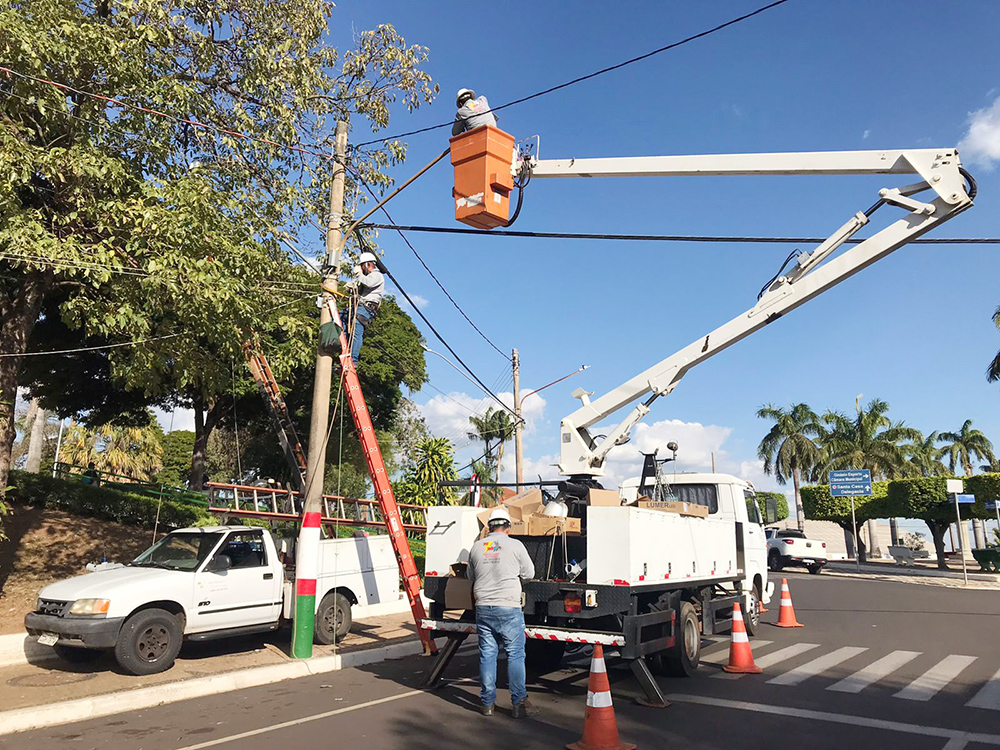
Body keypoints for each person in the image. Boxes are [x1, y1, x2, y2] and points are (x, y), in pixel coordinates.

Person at [466, 507, 538, 718]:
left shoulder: (477, 547)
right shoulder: (515, 545)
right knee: (515, 654)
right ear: (508, 527)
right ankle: (518, 703)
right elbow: (529, 573)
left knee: (487, 655)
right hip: (508, 607)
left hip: (483, 607)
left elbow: (470, 576)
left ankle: (487, 704)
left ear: (489, 527)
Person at [341, 251, 384, 362]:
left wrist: (359, 274)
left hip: (366, 308)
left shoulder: (377, 275)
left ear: (366, 265)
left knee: (356, 331)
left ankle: (353, 360)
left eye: (361, 266)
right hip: (360, 306)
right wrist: (352, 289)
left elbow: (369, 283)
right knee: (341, 317)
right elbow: (361, 291)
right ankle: (343, 350)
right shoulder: (367, 277)